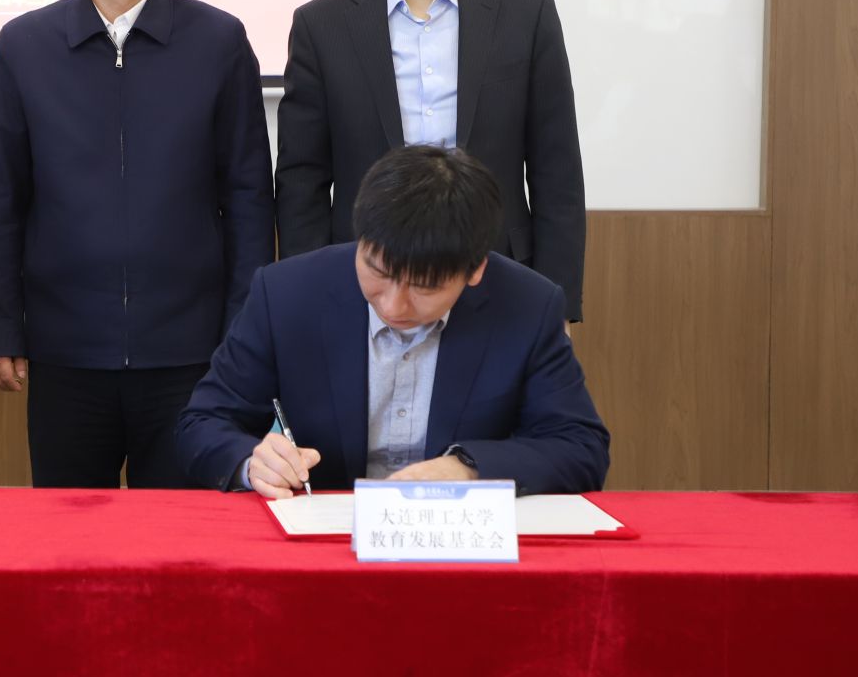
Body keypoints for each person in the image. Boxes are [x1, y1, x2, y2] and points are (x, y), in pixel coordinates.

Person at [0, 0, 274, 489]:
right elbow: (2, 199)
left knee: (184, 531)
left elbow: (249, 197)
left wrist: (243, 331)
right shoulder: (26, 46)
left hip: (193, 351)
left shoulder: (218, 41)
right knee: (69, 532)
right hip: (65, 350)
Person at [275, 0, 587, 320]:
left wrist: (559, 307)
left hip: (500, 279)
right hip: (364, 285)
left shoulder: (526, 14)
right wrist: (308, 302)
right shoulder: (322, 25)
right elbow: (301, 184)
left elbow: (558, 176)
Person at [178, 145, 609, 498]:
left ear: (475, 269)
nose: (394, 304)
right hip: (322, 534)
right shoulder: (287, 294)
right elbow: (203, 423)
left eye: (424, 287)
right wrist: (251, 461)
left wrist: (467, 468)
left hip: (460, 541)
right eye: (377, 273)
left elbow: (580, 446)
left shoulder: (528, 305)